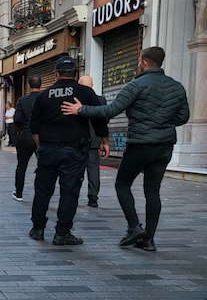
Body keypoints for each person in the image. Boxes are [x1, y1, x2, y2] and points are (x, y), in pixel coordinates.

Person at [62, 47, 190, 251]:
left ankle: (134, 227)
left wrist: (81, 109)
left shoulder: (136, 85)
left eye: (139, 61)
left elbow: (110, 110)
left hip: (140, 144)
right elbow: (183, 117)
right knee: (153, 191)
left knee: (122, 184)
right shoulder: (177, 87)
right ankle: (148, 239)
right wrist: (161, 124)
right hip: (164, 146)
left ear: (144, 62)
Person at [29, 56, 109, 245]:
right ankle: (62, 233)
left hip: (48, 149)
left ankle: (38, 229)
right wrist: (105, 141)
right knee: (69, 192)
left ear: (56, 74)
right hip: (74, 150)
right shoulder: (86, 92)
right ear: (75, 73)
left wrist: (41, 146)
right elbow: (99, 118)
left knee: (43, 191)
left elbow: (34, 125)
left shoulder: (44, 95)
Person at [77, 76, 107, 208]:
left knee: (75, 169)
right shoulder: (101, 100)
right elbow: (104, 119)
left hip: (77, 139)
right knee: (93, 169)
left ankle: (73, 194)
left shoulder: (75, 100)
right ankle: (93, 197)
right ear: (92, 85)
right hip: (94, 139)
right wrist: (103, 140)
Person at [12, 76, 42, 201]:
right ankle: (41, 193)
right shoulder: (45, 98)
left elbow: (17, 119)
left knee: (22, 165)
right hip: (43, 137)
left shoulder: (22, 100)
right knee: (43, 166)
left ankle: (19, 192)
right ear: (41, 85)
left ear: (28, 86)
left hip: (27, 135)